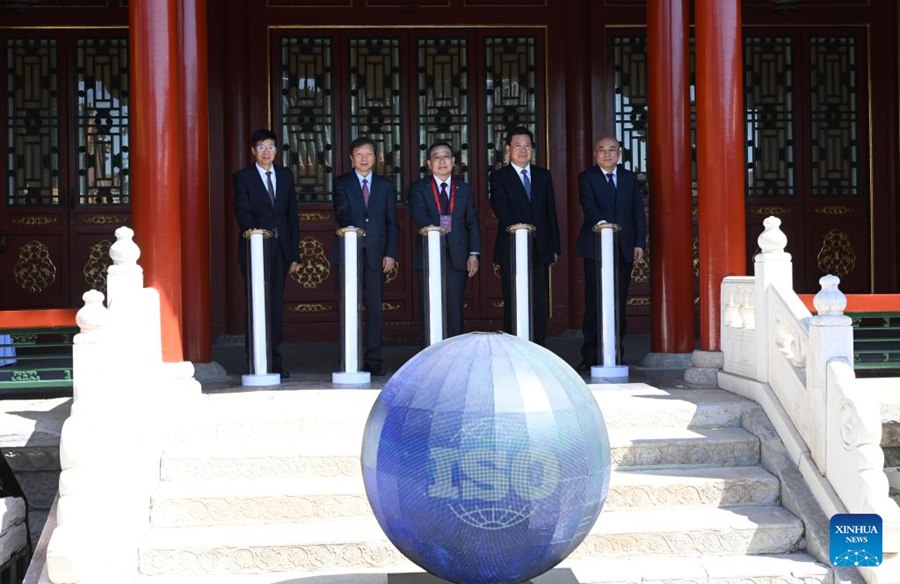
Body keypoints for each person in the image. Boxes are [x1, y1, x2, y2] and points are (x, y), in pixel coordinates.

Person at [233, 128, 301, 380]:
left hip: (281, 249)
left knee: (275, 306)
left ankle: (274, 360)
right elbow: (242, 210)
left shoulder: (285, 176)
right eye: (261, 147)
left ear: (276, 151)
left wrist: (294, 254)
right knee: (256, 304)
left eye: (271, 147)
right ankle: (255, 359)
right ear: (253, 151)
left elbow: (292, 215)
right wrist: (255, 233)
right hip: (256, 248)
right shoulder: (243, 177)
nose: (266, 152)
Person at [575, 134, 646, 371]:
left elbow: (638, 212)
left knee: (618, 301)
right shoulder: (587, 177)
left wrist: (639, 243)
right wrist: (605, 226)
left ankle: (615, 353)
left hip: (624, 248)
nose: (607, 154)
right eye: (602, 150)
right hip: (595, 247)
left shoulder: (629, 178)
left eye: (612, 150)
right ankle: (591, 354)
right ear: (595, 154)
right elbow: (589, 206)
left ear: (619, 153)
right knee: (595, 301)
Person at [333, 136, 399, 377]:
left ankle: (373, 359)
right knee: (348, 307)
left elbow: (393, 223)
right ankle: (349, 356)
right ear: (351, 158)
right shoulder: (342, 183)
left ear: (375, 158)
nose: (363, 158)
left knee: (374, 309)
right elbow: (341, 212)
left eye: (368, 154)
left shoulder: (384, 185)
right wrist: (353, 232)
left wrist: (390, 253)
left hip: (376, 256)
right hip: (349, 254)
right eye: (359, 154)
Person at [488, 126, 560, 345]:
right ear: (508, 149)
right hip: (512, 246)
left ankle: (539, 347)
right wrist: (519, 227)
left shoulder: (543, 175)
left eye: (527, 146)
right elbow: (500, 208)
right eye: (517, 145)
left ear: (532, 150)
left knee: (538, 300)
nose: (522, 150)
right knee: (514, 298)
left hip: (540, 247)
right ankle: (514, 346)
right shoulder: (499, 176)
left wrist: (554, 246)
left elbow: (551, 212)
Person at [408, 141, 481, 341]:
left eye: (446, 156)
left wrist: (474, 254)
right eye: (437, 157)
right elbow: (418, 214)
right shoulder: (419, 188)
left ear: (454, 161)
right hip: (428, 254)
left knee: (454, 307)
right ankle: (429, 353)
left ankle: (455, 353)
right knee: (430, 306)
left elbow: (472, 221)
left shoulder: (463, 189)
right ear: (429, 163)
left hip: (457, 256)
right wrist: (432, 230)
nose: (442, 161)